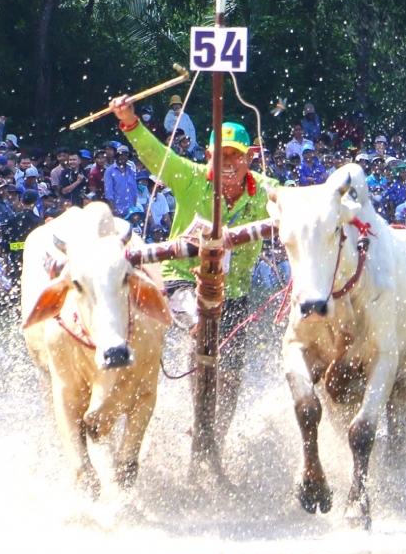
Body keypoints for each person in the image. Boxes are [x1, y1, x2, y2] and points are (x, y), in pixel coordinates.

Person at [110, 93, 281, 472]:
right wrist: (129, 121)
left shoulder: (266, 190)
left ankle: (211, 438)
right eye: (221, 156)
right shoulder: (188, 177)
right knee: (201, 328)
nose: (228, 164)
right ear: (208, 156)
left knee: (233, 376)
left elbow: (294, 203)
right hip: (183, 281)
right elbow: (155, 155)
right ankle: (199, 412)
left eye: (236, 156)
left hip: (234, 292)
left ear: (249, 157)